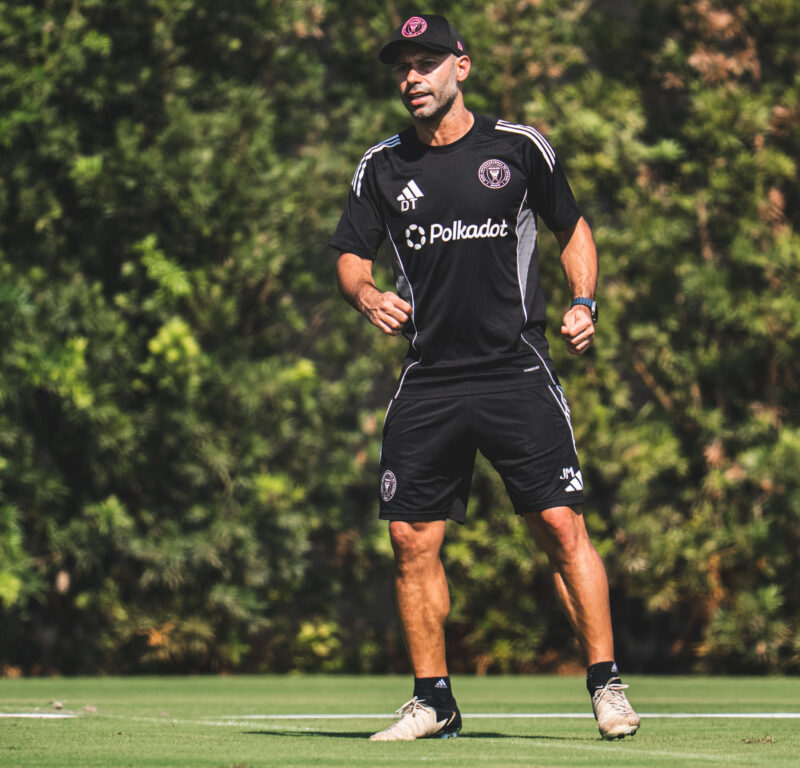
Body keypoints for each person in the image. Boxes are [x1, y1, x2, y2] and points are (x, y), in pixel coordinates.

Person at [330, 13, 640, 742]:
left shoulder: (519, 148)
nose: (412, 76)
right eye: (402, 66)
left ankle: (607, 685)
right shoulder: (381, 166)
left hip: (515, 368)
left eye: (427, 61)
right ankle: (433, 700)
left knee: (560, 526)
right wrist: (367, 293)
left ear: (461, 67)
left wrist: (584, 300)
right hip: (429, 377)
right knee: (410, 538)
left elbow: (574, 229)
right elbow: (349, 254)